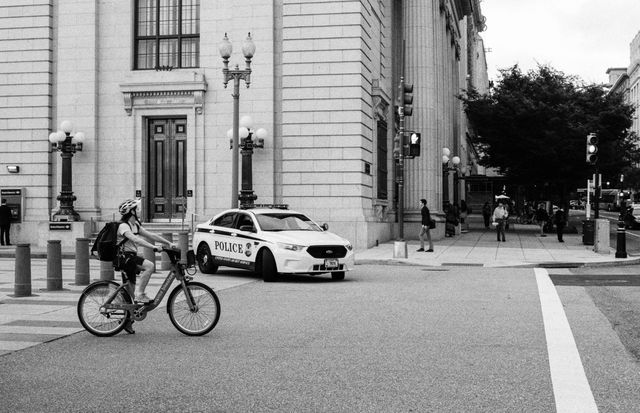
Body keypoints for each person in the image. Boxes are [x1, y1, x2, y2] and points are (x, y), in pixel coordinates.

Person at [116, 199, 176, 333]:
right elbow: (135, 239)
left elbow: (151, 235)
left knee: (130, 294)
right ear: (131, 211)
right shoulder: (123, 226)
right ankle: (141, 295)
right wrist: (153, 247)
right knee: (149, 266)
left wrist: (168, 243)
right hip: (125, 257)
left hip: (131, 257)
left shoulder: (135, 224)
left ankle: (126, 321)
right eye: (136, 209)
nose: (138, 210)